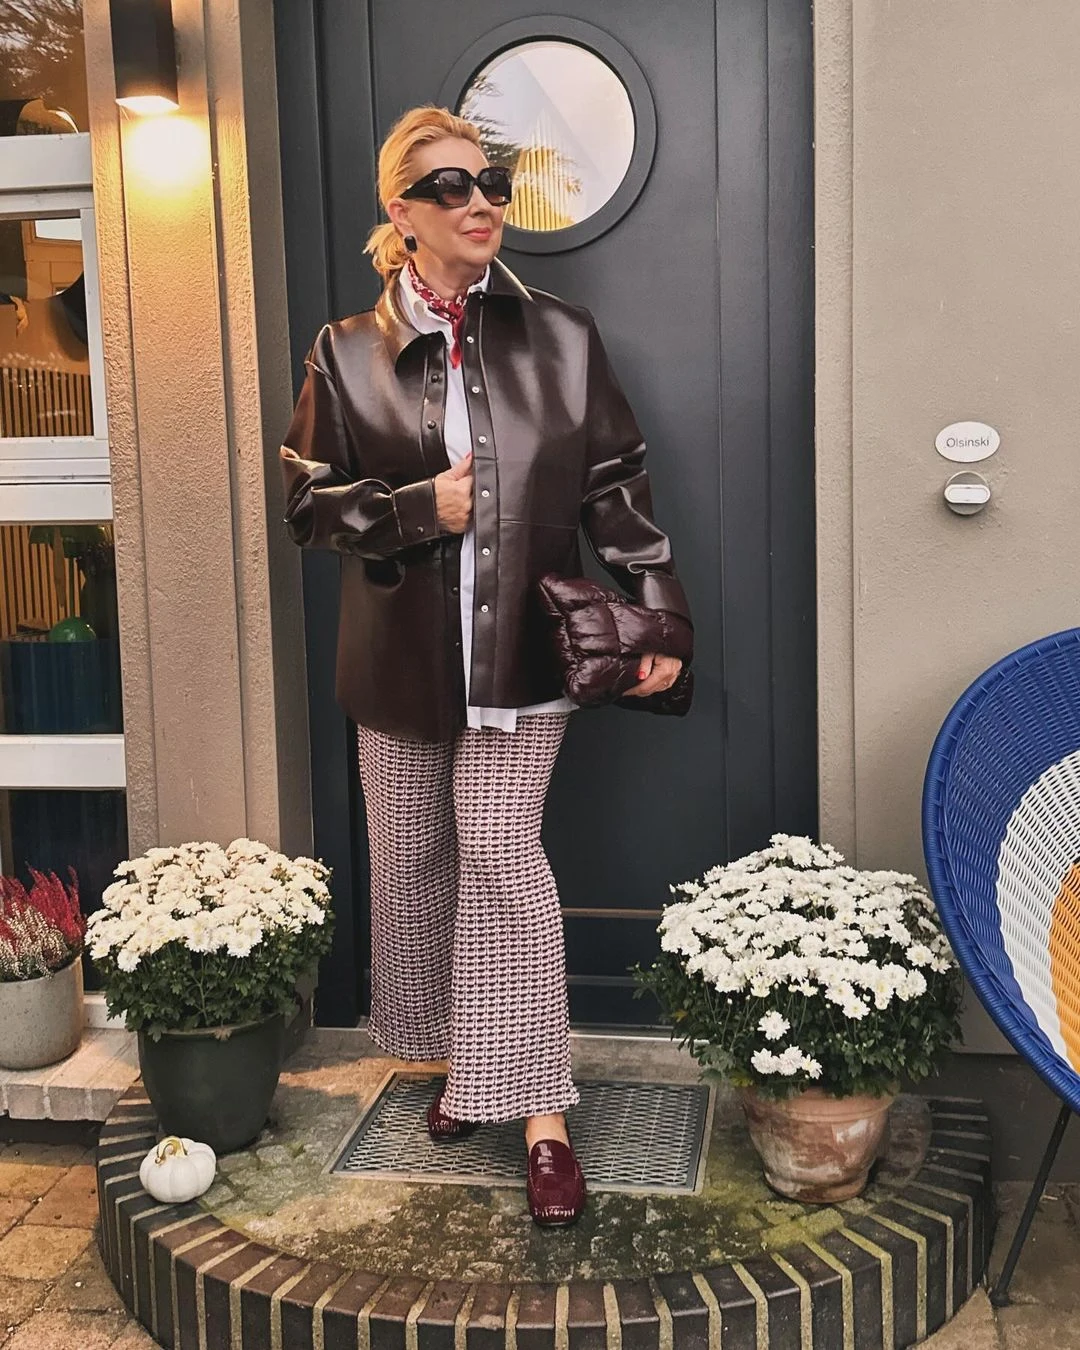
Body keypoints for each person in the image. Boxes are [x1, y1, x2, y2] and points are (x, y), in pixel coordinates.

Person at [279, 105, 691, 1226]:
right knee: (414, 861)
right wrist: (424, 507)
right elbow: (306, 505)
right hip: (399, 666)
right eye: (451, 187)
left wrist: (659, 624)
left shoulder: (562, 336)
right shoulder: (344, 349)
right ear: (401, 212)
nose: (480, 204)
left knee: (501, 854)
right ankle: (466, 1063)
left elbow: (619, 488)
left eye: (492, 184)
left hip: (523, 660)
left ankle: (543, 1114)